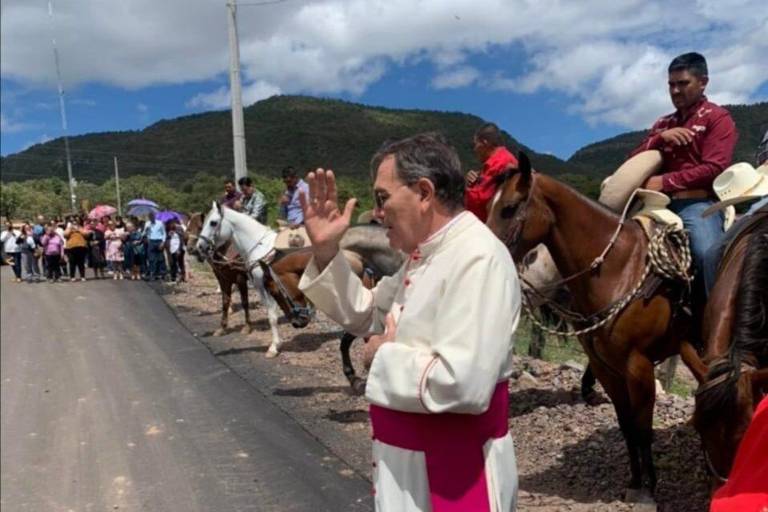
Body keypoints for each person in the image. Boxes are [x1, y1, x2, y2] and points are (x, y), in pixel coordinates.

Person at [298, 133, 521, 512]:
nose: (377, 213)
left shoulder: (476, 256)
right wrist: (324, 251)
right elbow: (366, 313)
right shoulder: (422, 257)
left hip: (453, 475)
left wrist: (380, 356)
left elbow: (464, 383)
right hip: (409, 466)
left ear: (423, 192)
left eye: (383, 198)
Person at [629, 52, 737, 283]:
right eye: (671, 84)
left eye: (683, 83)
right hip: (654, 203)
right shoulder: (663, 124)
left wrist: (664, 182)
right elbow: (633, 162)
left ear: (703, 82)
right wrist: (659, 138)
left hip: (698, 203)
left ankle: (715, 316)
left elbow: (714, 167)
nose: (675, 90)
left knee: (708, 254)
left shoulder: (718, 118)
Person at [464, 123, 519, 222]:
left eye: (475, 144)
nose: (474, 149)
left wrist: (458, 190)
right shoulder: (495, 162)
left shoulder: (502, 163)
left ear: (484, 143)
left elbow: (482, 199)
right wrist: (471, 183)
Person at [143, 211, 167, 280]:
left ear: (154, 216)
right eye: (150, 217)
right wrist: (146, 230)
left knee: (161, 258)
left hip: (159, 241)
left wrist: (163, 242)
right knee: (151, 258)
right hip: (151, 241)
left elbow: (164, 233)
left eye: (152, 216)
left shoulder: (160, 223)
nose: (151, 218)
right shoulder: (147, 224)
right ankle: (152, 273)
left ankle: (162, 273)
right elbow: (144, 233)